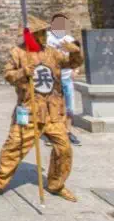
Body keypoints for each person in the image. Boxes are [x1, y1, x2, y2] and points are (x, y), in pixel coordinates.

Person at [0, 15, 83, 203]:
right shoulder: (18, 53)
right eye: (40, 33)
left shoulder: (52, 52)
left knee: (64, 149)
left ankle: (56, 184)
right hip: (29, 111)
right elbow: (8, 75)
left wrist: (75, 52)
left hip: (52, 111)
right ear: (31, 35)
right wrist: (23, 72)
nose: (44, 36)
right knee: (14, 147)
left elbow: (72, 63)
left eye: (45, 32)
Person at [46, 13, 81, 146]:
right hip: (51, 78)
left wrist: (76, 70)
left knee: (69, 106)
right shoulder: (46, 38)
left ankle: (68, 132)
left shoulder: (69, 39)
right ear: (52, 24)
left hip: (66, 78)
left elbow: (77, 55)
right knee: (52, 106)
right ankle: (52, 134)